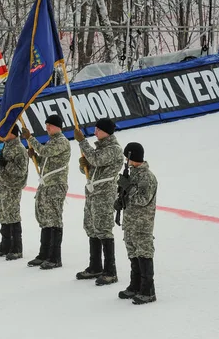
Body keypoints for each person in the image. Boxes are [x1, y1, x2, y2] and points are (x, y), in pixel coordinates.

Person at [74, 118, 123, 285]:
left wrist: (82, 142)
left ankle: (110, 271)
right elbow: (92, 167)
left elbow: (97, 160)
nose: (95, 132)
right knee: (91, 227)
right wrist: (84, 166)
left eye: (98, 130)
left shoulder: (114, 149)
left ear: (107, 132)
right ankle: (95, 266)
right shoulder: (99, 149)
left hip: (104, 195)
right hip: (92, 193)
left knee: (103, 229)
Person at [21, 114, 71, 270]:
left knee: (54, 220)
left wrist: (31, 138)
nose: (47, 128)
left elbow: (45, 151)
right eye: (46, 124)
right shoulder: (52, 141)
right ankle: (44, 253)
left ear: (58, 126)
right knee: (44, 218)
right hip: (46, 186)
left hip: (56, 186)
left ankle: (55, 257)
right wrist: (35, 157)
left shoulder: (62, 142)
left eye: (49, 125)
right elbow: (47, 159)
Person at [116, 142, 158, 305]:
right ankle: (135, 286)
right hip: (130, 221)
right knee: (133, 253)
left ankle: (148, 290)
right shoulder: (132, 173)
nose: (126, 160)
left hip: (142, 223)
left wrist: (130, 189)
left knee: (144, 253)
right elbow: (127, 194)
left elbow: (143, 199)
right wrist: (120, 200)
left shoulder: (147, 176)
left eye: (128, 157)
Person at [0, 124, 29, 261]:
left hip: (13, 186)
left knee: (12, 214)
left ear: (12, 133)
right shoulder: (7, 146)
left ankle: (16, 248)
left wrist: (6, 165)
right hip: (3, 184)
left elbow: (21, 171)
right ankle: (5, 245)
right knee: (2, 211)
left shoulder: (19, 149)